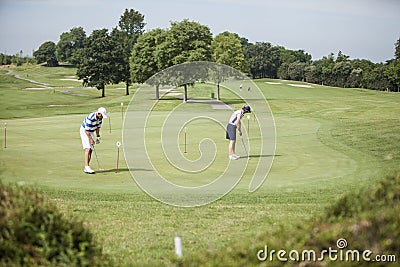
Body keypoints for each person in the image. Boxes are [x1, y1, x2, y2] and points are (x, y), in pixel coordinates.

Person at [80, 107, 107, 174]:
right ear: (98, 113)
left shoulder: (100, 119)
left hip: (91, 131)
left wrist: (98, 136)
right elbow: (86, 131)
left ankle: (86, 167)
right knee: (88, 148)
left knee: (91, 149)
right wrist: (91, 139)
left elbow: (98, 128)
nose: (102, 117)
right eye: (102, 115)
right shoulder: (91, 118)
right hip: (84, 131)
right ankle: (87, 166)